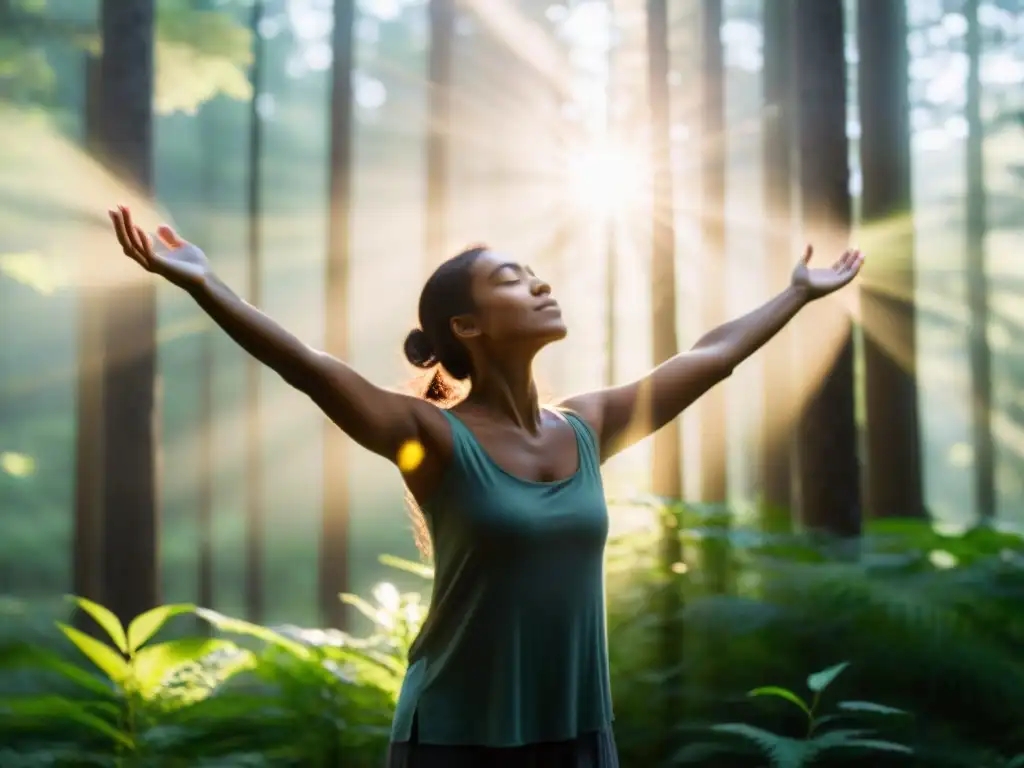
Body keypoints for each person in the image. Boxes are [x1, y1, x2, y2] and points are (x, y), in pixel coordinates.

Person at [107, 204, 864, 767]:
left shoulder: (588, 427)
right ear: (467, 327)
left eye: (535, 275)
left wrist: (796, 293)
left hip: (574, 729)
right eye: (512, 280)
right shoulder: (431, 436)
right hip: (457, 735)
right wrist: (206, 286)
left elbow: (713, 355)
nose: (539, 286)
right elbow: (308, 367)